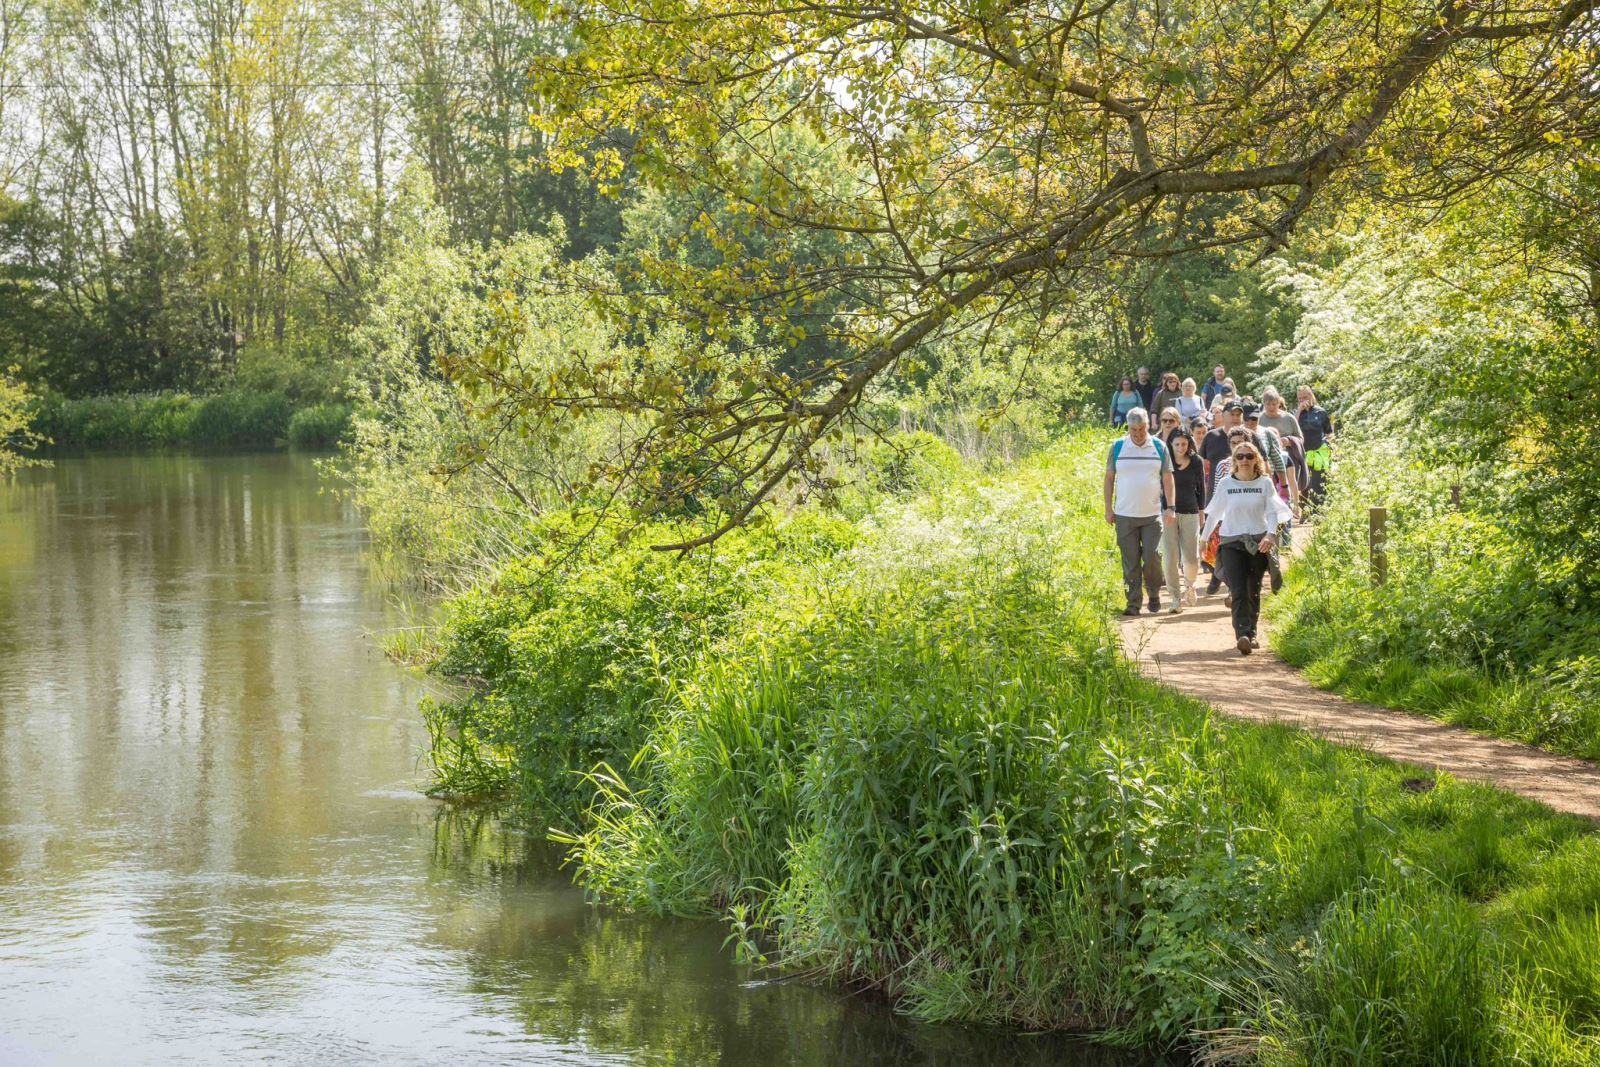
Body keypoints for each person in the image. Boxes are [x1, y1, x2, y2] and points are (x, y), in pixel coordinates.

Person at [1201, 440, 1292, 655]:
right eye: (1240, 457)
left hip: (1258, 542)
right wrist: (1203, 539)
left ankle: (1252, 633)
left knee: (1254, 590)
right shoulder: (1226, 484)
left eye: (1249, 457)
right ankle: (1242, 634)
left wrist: (1270, 535)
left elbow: (1272, 512)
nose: (1244, 460)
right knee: (1238, 589)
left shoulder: (1265, 483)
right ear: (1234, 461)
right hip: (1231, 542)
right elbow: (1214, 514)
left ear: (1256, 460)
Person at [1104, 409, 1175, 616]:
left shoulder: (1159, 447)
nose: (1138, 434)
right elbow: (1109, 479)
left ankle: (1153, 592)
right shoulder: (1118, 447)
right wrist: (1108, 508)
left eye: (1142, 429)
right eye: (1133, 430)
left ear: (1148, 426)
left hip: (1152, 514)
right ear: (1128, 428)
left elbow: (1168, 479)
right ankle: (1133, 603)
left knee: (1153, 556)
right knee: (1130, 562)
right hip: (1125, 514)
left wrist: (1170, 507)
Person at [1162, 430, 1206, 612]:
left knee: (1191, 557)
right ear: (1171, 444)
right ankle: (1174, 598)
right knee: (1170, 556)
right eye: (1177, 444)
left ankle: (1189, 585)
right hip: (1168, 513)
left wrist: (1202, 511)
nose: (1181, 448)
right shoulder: (1164, 461)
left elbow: (1201, 487)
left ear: (1189, 444)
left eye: (1184, 444)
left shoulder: (1196, 461)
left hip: (1190, 511)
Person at [1296, 386, 1335, 504]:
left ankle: (1319, 511)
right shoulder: (1296, 413)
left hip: (1319, 451)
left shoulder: (1321, 412)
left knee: (1319, 482)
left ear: (1311, 396)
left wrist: (1331, 448)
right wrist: (1299, 411)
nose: (1303, 400)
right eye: (1300, 398)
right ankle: (1305, 511)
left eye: (1305, 397)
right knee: (1305, 483)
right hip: (1303, 452)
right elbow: (1293, 428)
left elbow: (1329, 433)